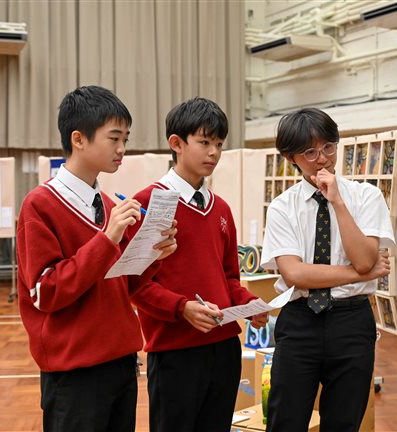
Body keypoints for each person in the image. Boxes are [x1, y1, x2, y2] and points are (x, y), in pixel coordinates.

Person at [17, 85, 177, 431]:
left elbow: (125, 285)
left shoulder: (106, 204)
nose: (122, 149)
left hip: (121, 362)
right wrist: (106, 239)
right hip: (75, 373)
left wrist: (154, 254)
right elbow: (46, 292)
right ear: (78, 139)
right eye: (114, 138)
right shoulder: (40, 204)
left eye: (125, 140)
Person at [127, 97, 268, 432]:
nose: (213, 153)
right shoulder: (148, 202)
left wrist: (250, 304)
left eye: (219, 144)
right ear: (176, 143)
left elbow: (229, 277)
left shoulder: (221, 209)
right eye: (204, 142)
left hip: (225, 348)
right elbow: (135, 286)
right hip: (175, 351)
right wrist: (182, 308)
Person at [260, 108, 393, 432]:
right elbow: (295, 275)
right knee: (285, 420)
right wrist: (360, 274)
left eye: (329, 147)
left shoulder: (366, 196)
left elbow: (364, 259)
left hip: (352, 320)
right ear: (291, 157)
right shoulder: (282, 207)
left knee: (344, 422)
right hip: (299, 320)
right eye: (309, 152)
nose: (322, 159)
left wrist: (337, 202)